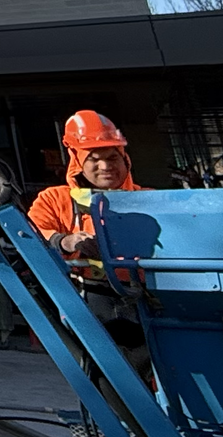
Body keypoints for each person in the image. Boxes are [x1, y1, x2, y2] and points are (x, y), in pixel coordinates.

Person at [27, 110, 148, 357]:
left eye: (113, 157)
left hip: (147, 301)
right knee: (101, 381)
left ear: (125, 158)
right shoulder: (54, 199)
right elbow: (31, 235)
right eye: (94, 158)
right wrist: (65, 241)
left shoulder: (149, 199)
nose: (105, 166)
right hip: (88, 301)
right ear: (77, 161)